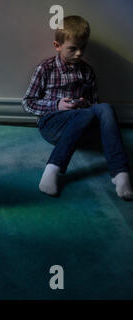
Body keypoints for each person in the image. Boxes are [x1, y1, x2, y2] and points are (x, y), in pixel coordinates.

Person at [22, 15, 133, 200]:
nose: (79, 53)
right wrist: (56, 105)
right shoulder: (45, 68)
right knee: (82, 115)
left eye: (83, 48)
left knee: (105, 108)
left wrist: (83, 104)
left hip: (81, 123)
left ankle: (120, 174)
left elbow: (95, 106)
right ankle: (52, 170)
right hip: (53, 124)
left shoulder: (87, 71)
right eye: (73, 49)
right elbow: (27, 102)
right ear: (57, 46)